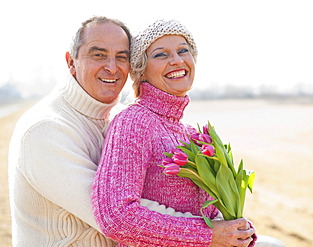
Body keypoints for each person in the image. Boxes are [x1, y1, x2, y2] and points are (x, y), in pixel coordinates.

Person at [8, 16, 192, 247]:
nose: (112, 67)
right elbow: (114, 214)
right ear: (71, 61)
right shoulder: (45, 130)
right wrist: (211, 232)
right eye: (99, 55)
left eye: (121, 57)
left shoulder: (119, 117)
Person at [91, 19, 258, 247]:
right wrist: (209, 235)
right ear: (141, 69)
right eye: (161, 55)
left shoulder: (190, 134)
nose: (177, 60)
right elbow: (116, 216)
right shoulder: (134, 122)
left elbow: (210, 216)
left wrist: (236, 231)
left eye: (183, 50)